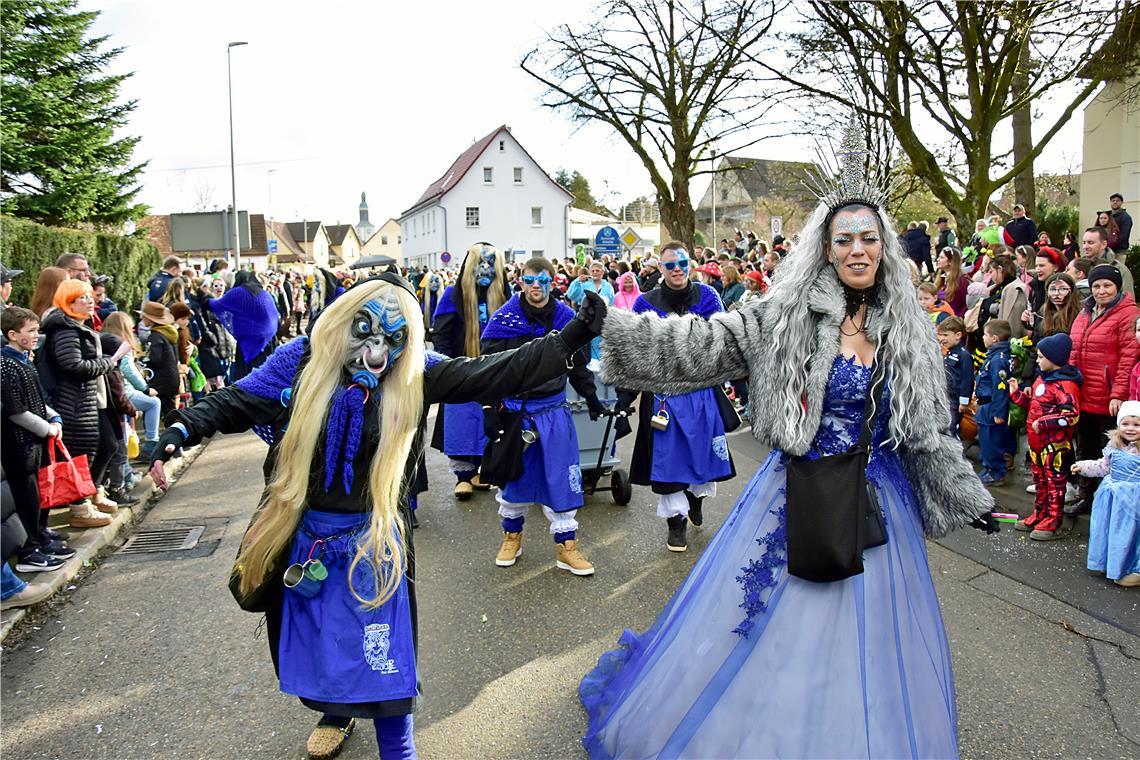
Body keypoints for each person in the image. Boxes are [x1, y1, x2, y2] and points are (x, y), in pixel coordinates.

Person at [580, 141, 997, 755]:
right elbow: (704, 345)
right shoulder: (787, 315)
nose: (858, 249)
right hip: (797, 491)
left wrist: (968, 495)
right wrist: (614, 328)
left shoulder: (907, 330)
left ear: (885, 248)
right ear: (826, 251)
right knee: (781, 624)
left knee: (869, 638)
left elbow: (927, 428)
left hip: (878, 505)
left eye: (869, 238)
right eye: (844, 239)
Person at [147, 274, 608, 759]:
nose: (375, 351)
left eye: (391, 338)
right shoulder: (303, 360)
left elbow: (493, 372)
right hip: (307, 541)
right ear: (343, 323)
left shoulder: (414, 372)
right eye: (364, 331)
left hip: (376, 542)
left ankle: (399, 750)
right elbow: (236, 400)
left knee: (385, 660)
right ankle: (336, 712)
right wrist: (182, 426)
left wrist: (572, 336)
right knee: (324, 645)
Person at [480, 258, 606, 576]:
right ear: (520, 282)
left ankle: (567, 548)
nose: (536, 286)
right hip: (515, 414)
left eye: (543, 280)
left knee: (562, 479)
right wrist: (488, 407)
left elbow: (578, 364)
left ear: (553, 282)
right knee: (514, 480)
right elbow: (488, 369)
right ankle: (512, 537)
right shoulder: (503, 321)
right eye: (530, 280)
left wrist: (591, 398)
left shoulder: (567, 319)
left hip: (553, 411)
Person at [614, 242, 737, 553]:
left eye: (682, 262)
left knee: (698, 457)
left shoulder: (709, 297)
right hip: (663, 399)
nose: (677, 268)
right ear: (661, 268)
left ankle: (695, 500)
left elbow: (723, 341)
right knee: (667, 461)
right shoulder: (645, 304)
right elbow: (634, 355)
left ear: (691, 262)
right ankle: (676, 522)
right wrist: (623, 399)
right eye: (670, 265)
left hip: (700, 394)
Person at [38, 280, 131, 527]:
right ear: (68, 303)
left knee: (107, 445)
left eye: (90, 296)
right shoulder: (66, 330)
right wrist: (108, 363)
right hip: (74, 403)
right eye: (82, 298)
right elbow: (73, 365)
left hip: (91, 399)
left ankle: (92, 491)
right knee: (82, 454)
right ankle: (80, 506)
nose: (90, 301)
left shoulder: (78, 326)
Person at [430, 243, 510, 499]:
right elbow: (441, 334)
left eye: (490, 263)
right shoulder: (453, 296)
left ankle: (483, 469)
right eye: (479, 263)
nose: (484, 269)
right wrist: (447, 367)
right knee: (462, 420)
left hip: (495, 371)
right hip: (461, 370)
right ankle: (463, 475)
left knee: (492, 420)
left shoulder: (507, 298)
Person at [1, 307, 74, 572]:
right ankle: (29, 549)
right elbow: (15, 410)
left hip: (35, 443)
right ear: (12, 334)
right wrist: (47, 428)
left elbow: (40, 400)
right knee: (26, 498)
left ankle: (40, 538)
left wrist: (55, 419)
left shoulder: (24, 360)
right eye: (30, 331)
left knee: (38, 496)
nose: (36, 335)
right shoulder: (7, 365)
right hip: (19, 446)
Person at [1066, 264, 1140, 516]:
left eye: (1107, 285)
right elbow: (1074, 349)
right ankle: (1086, 497)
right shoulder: (1085, 311)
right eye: (1096, 285)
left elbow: (1128, 357)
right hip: (1084, 391)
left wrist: (1118, 393)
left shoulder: (1127, 314)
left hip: (1108, 397)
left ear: (1117, 287)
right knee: (1085, 446)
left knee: (1108, 449)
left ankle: (1107, 501)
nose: (1101, 290)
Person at [1009, 333, 1082, 541]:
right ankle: (1039, 514)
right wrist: (1017, 395)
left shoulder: (1066, 385)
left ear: (1055, 359)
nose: (1038, 361)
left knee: (1055, 484)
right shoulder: (1043, 380)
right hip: (1036, 445)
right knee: (1040, 482)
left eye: (1041, 357)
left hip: (1054, 446)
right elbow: (1034, 406)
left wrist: (1045, 423)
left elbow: (1071, 417)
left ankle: (1053, 520)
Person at [1072, 400, 1140, 588]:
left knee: (1131, 534)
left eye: (1137, 424)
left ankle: (1134, 568)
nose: (1131, 428)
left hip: (1134, 500)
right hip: (1112, 498)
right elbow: (1103, 466)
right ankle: (1111, 563)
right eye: (1126, 423)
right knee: (1112, 530)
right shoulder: (1114, 445)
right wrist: (1083, 466)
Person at [102, 311, 162, 464]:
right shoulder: (123, 344)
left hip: (107, 393)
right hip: (124, 391)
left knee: (124, 429)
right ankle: (151, 443)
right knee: (154, 403)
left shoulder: (102, 341)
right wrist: (146, 389)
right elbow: (128, 370)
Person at [208, 270, 279, 381]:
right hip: (268, 341)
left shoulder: (238, 292)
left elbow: (217, 305)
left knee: (247, 376)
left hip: (248, 342)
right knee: (266, 374)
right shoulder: (264, 294)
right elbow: (274, 316)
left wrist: (203, 298)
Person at [975, 319, 1015, 486]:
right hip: (985, 405)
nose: (983, 338)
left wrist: (999, 412)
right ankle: (988, 468)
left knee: (992, 441)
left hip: (992, 406)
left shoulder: (998, 360)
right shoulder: (993, 356)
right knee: (985, 441)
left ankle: (996, 473)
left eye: (985, 334)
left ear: (995, 338)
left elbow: (1000, 388)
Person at [138, 302, 182, 423]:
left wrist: (141, 360)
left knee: (159, 411)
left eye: (143, 316)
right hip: (172, 378)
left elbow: (154, 358)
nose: (141, 318)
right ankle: (180, 433)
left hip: (162, 381)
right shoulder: (168, 333)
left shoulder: (155, 336)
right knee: (170, 410)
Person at [1081, 226, 1134, 297]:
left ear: (1104, 244)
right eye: (1084, 243)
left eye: (1090, 243)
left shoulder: (1120, 269)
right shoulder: (1078, 267)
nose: (1085, 247)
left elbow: (1128, 299)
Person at [934, 246, 970, 316]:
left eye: (941, 257)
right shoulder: (941, 279)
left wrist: (958, 319)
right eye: (938, 257)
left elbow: (966, 305)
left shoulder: (961, 281)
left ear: (950, 261)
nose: (938, 259)